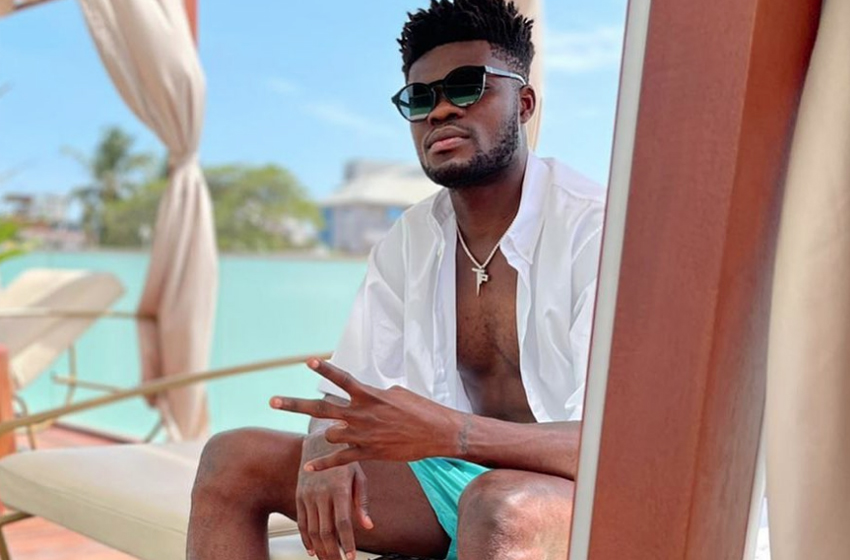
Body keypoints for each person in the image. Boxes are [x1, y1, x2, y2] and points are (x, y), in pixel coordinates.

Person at [187, 1, 604, 559]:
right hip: (457, 480)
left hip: (583, 490)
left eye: (467, 87)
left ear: (524, 103)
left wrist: (454, 433)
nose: (440, 110)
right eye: (420, 98)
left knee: (498, 505)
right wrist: (323, 451)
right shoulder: (411, 238)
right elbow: (345, 394)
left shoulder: (596, 230)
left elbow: (626, 445)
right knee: (232, 459)